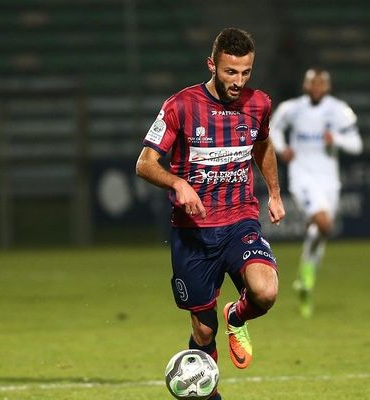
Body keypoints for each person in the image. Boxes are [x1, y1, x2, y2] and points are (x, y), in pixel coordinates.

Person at [136, 28, 285, 399]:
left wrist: (275, 193)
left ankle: (237, 315)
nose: (238, 81)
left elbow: (262, 145)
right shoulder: (180, 106)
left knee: (265, 292)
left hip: (239, 219)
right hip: (194, 232)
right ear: (212, 65)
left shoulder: (259, 104)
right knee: (203, 333)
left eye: (246, 72)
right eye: (230, 72)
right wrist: (178, 183)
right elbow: (145, 164)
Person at [269, 68, 362, 318]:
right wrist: (282, 148)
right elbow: (272, 129)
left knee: (319, 231)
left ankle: (305, 282)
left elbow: (356, 145)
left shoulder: (338, 110)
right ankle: (305, 278)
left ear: (328, 87)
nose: (317, 87)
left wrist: (337, 140)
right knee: (323, 223)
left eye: (321, 83)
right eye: (313, 82)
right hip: (302, 178)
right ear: (305, 85)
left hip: (329, 181)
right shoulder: (291, 108)